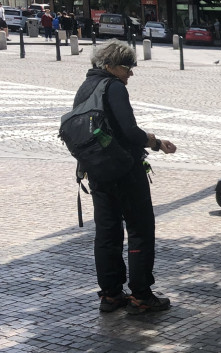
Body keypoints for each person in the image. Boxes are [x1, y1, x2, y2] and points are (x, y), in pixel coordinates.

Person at [72, 39, 177, 314]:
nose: (130, 73)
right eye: (126, 67)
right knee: (140, 229)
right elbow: (129, 132)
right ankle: (141, 294)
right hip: (124, 171)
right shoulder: (114, 87)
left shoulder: (86, 86)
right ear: (109, 66)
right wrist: (155, 142)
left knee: (107, 233)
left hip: (96, 171)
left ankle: (111, 295)